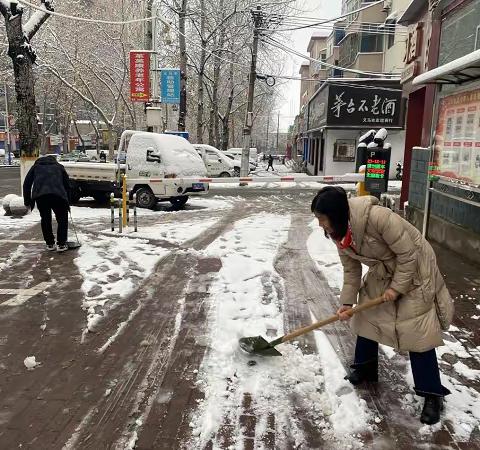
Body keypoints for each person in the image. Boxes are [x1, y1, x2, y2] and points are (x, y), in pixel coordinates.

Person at [311, 186, 454, 425]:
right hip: (386, 269)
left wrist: (397, 288)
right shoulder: (341, 233)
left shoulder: (378, 217)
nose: (320, 225)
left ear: (335, 214)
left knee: (416, 328)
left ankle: (432, 394)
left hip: (417, 268)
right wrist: (347, 302)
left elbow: (409, 254)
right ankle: (366, 367)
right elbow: (351, 269)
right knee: (367, 312)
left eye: (322, 219)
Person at [23, 155, 71, 252]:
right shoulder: (59, 167)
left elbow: (27, 184)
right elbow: (67, 184)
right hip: (58, 196)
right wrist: (68, 200)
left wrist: (27, 201)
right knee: (62, 219)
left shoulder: (35, 167)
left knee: (45, 219)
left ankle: (50, 244)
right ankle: (61, 244)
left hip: (41, 197)